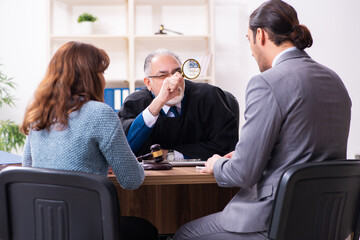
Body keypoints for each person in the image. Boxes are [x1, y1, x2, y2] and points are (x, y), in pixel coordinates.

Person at [173, 0, 352, 239]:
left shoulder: (266, 82)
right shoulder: (335, 80)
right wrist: (248, 154)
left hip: (273, 220)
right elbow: (305, 151)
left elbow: (243, 174)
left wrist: (216, 164)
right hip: (326, 221)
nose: (250, 49)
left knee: (185, 233)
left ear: (260, 35)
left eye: (248, 39)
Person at [20, 41, 158, 240]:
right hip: (86, 226)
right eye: (101, 73)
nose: (103, 79)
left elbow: (28, 168)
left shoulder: (39, 113)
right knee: (146, 230)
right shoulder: (99, 113)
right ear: (89, 77)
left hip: (45, 225)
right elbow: (131, 180)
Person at [118, 49, 238, 160]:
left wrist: (171, 155)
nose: (174, 81)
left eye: (177, 73)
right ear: (148, 83)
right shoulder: (135, 103)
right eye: (163, 76)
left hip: (203, 178)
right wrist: (158, 103)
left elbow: (226, 148)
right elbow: (125, 149)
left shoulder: (210, 97)